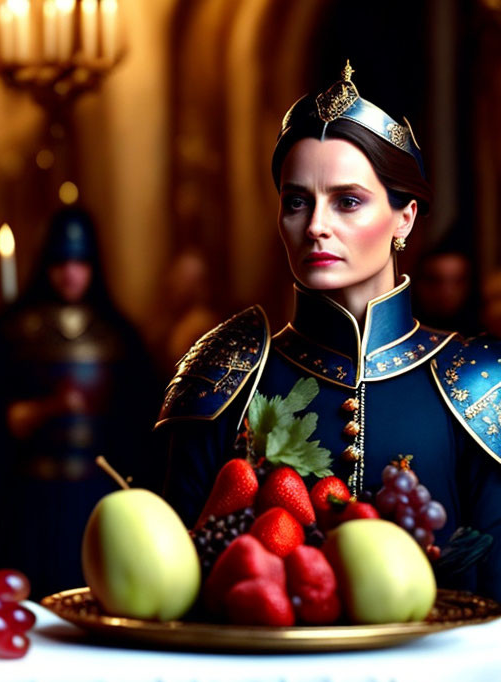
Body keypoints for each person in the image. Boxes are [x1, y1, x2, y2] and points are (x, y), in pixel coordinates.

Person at [157, 62, 501, 600]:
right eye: (297, 201)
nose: (316, 224)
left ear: (405, 218)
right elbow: (172, 583)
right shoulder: (226, 369)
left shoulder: (479, 379)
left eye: (347, 201)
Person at [0, 207, 159, 599]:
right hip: (25, 498)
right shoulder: (7, 333)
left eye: (80, 262)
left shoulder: (121, 337)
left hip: (97, 494)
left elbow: (142, 422)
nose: (70, 272)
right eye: (61, 261)